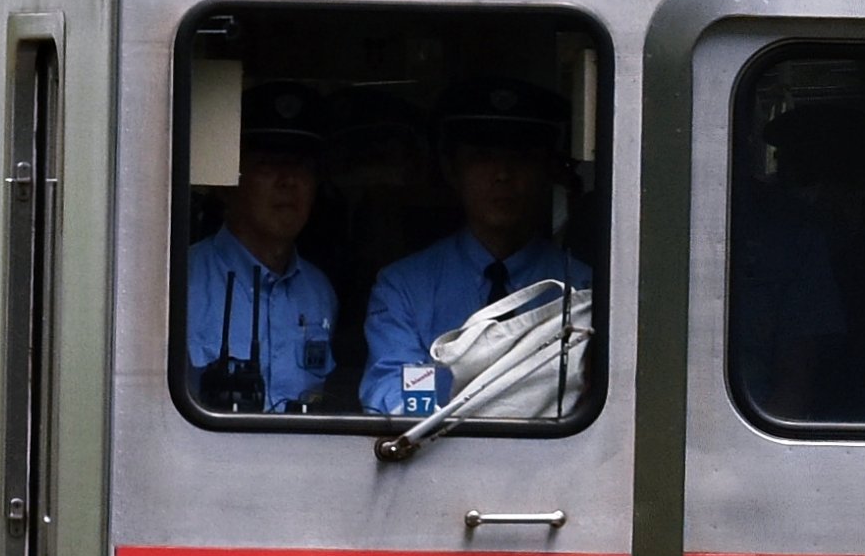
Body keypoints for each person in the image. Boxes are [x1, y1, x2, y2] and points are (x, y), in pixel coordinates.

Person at [361, 102, 591, 416]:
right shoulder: (406, 287)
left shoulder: (583, 288)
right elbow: (392, 387)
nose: (502, 174)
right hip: (437, 459)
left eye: (521, 157)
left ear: (546, 171)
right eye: (482, 157)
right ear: (452, 170)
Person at [186, 122, 339, 412]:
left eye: (302, 167)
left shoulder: (320, 291)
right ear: (227, 185)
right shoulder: (177, 281)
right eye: (267, 165)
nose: (288, 181)